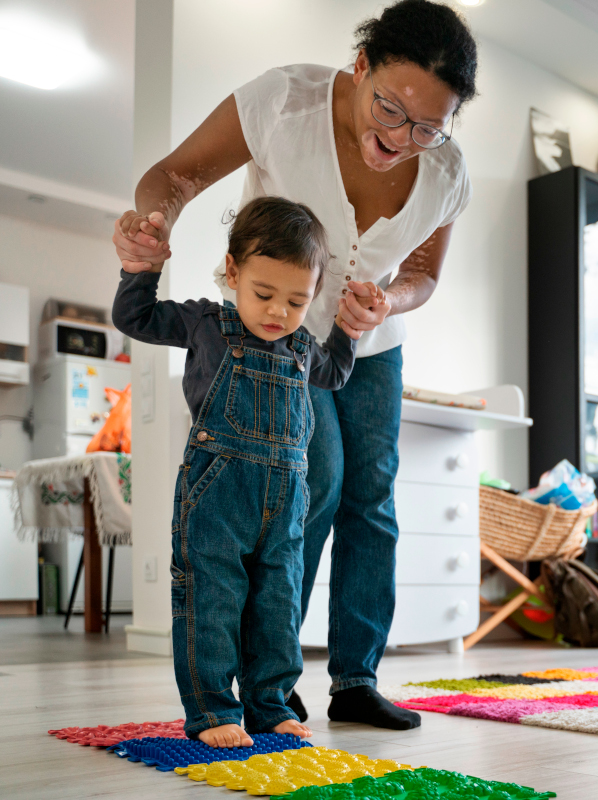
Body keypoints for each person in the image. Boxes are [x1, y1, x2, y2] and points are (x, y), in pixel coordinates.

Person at [111, 0, 477, 730]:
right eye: (391, 108)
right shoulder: (285, 101)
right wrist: (153, 228)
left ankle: (356, 679)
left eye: (429, 125)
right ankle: (268, 674)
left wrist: (390, 299)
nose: (403, 136)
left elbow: (426, 273)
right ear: (361, 65)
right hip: (270, 339)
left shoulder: (445, 172)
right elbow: (175, 174)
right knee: (314, 482)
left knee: (373, 499)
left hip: (368, 344)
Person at [112, 196, 367, 747]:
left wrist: (349, 328)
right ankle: (212, 711)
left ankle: (269, 705)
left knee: (278, 603)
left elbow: (338, 374)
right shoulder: (207, 323)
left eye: (297, 300)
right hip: (217, 494)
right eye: (264, 294)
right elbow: (134, 317)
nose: (278, 312)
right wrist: (142, 269)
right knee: (213, 599)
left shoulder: (302, 346)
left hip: (285, 503)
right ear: (233, 271)